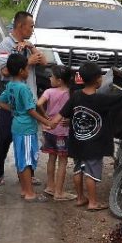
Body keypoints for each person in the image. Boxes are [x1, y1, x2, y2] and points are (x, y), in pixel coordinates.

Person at [62, 62, 122, 211]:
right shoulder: (101, 99)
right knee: (90, 173)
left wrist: (49, 123)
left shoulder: (76, 96)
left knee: (78, 169)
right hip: (94, 144)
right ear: (97, 80)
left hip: (77, 141)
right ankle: (93, 203)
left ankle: (80, 198)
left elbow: (62, 115)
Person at [0, 11, 45, 184]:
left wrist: (31, 47)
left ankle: (27, 174)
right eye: (31, 26)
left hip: (28, 97)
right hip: (12, 99)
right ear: (21, 26)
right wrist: (27, 62)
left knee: (28, 139)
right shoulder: (6, 45)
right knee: (5, 137)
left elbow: (44, 62)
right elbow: (4, 71)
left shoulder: (28, 44)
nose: (32, 30)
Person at [0, 53, 55, 201]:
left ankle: (24, 190)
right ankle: (30, 193)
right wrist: (45, 122)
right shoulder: (23, 88)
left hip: (16, 127)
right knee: (28, 160)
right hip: (26, 128)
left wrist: (14, 110)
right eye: (27, 69)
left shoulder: (10, 85)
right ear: (22, 71)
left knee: (21, 158)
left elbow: (0, 102)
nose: (28, 71)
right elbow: (30, 110)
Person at [37, 65, 75, 201]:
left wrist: (45, 116)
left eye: (52, 76)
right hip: (62, 132)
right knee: (63, 161)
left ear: (59, 80)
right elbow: (74, 110)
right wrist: (69, 120)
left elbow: (38, 104)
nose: (49, 78)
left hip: (49, 130)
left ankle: (50, 186)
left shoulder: (49, 91)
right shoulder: (71, 93)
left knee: (51, 158)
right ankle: (59, 192)